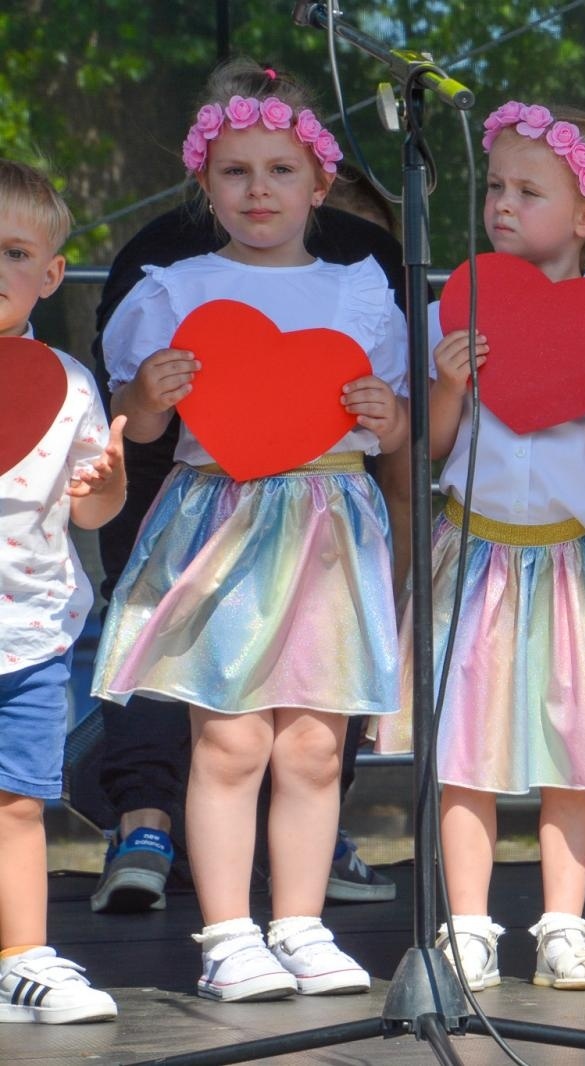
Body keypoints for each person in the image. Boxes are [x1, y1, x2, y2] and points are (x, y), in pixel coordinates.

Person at [92, 60, 408, 1001]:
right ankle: (229, 933)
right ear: (204, 185)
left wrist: (387, 418)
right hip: (223, 518)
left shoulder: (360, 290)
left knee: (314, 742)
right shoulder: (172, 289)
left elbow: (389, 425)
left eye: (280, 170)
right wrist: (145, 398)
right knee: (230, 740)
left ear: (321, 184)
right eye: (235, 172)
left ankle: (301, 925)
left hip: (328, 521)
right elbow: (139, 428)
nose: (259, 190)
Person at [373, 101, 585, 992]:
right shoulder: (451, 307)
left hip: (571, 566)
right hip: (476, 559)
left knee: (569, 754)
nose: (502, 203)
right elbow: (429, 445)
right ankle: (468, 926)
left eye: (526, 190)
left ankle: (565, 928)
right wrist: (450, 386)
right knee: (464, 753)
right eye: (495, 185)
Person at [0, 158, 124, 1024]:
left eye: (11, 252)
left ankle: (22, 957)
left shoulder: (69, 383)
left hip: (31, 639)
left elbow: (93, 512)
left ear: (49, 276)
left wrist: (103, 486)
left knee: (18, 806)